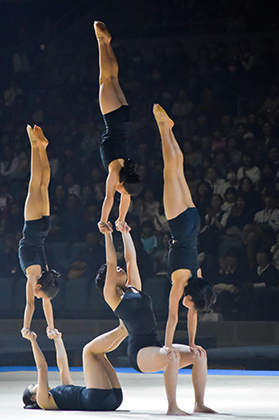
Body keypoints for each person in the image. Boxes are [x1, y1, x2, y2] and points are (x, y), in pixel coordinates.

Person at [96, 222, 215, 415]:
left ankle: (199, 404)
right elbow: (111, 263)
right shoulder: (112, 296)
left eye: (119, 268)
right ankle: (172, 407)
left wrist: (126, 233)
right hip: (140, 353)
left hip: (155, 346)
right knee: (173, 358)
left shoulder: (133, 288)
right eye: (115, 271)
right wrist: (108, 236)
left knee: (199, 356)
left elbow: (131, 260)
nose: (119, 268)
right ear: (108, 282)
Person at [152, 104, 216, 353]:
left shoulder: (197, 278)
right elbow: (172, 318)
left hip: (193, 222)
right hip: (179, 224)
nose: (189, 308)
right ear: (190, 297)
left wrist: (191, 343)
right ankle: (163, 128)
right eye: (192, 304)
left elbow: (191, 316)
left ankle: (168, 129)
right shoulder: (179, 284)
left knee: (178, 171)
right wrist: (167, 347)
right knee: (170, 172)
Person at [94, 21, 142, 235]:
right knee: (105, 78)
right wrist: (103, 221)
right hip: (113, 118)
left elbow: (123, 199)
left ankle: (107, 42)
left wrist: (121, 219)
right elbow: (108, 198)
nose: (123, 193)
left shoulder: (128, 173)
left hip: (124, 117)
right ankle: (101, 42)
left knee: (113, 78)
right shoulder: (115, 172)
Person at [18, 125, 60, 339]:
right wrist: (26, 328)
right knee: (35, 184)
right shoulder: (34, 275)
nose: (37, 294)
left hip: (44, 228)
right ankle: (35, 146)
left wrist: (50, 326)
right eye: (39, 291)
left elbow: (46, 302)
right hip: (33, 226)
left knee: (44, 186)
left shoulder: (45, 272)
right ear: (39, 285)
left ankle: (42, 147)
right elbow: (30, 304)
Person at [22, 326, 125, 411]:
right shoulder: (43, 402)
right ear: (33, 398)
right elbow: (42, 367)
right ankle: (123, 328)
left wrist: (58, 339)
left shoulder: (59, 395)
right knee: (88, 351)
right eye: (32, 386)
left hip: (113, 400)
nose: (36, 383)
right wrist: (33, 341)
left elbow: (63, 366)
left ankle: (127, 330)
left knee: (99, 353)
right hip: (96, 399)